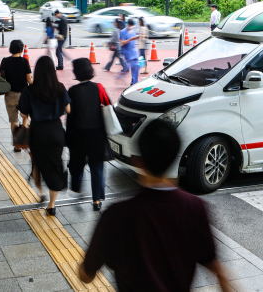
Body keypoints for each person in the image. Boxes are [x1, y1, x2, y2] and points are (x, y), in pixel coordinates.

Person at [78, 119, 232, 292]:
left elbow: (86, 275)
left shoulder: (116, 216)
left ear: (138, 161)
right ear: (174, 157)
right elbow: (218, 269)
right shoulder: (194, 208)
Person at [18, 56, 71, 215]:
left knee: (37, 163)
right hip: (55, 131)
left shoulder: (29, 90)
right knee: (55, 164)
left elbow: (23, 113)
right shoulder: (60, 87)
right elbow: (68, 110)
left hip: (38, 132)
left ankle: (40, 191)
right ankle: (52, 204)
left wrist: (27, 117)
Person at [67, 58, 108, 211]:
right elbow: (108, 106)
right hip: (97, 134)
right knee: (97, 166)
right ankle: (96, 200)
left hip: (78, 134)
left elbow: (69, 117)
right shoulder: (99, 88)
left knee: (77, 163)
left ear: (76, 73)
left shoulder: (73, 91)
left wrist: (68, 137)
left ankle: (76, 186)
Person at [0, 40, 33, 150]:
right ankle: (24, 140)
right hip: (23, 95)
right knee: (25, 117)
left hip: (9, 94)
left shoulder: (5, 61)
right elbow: (29, 78)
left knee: (14, 120)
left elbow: (0, 77)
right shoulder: (24, 61)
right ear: (21, 49)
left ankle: (17, 145)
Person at [119, 19, 139, 86]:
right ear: (129, 25)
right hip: (127, 52)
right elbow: (122, 43)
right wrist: (131, 39)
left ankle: (134, 82)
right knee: (132, 66)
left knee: (136, 67)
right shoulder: (123, 32)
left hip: (134, 52)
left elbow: (134, 42)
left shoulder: (133, 31)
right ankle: (133, 83)